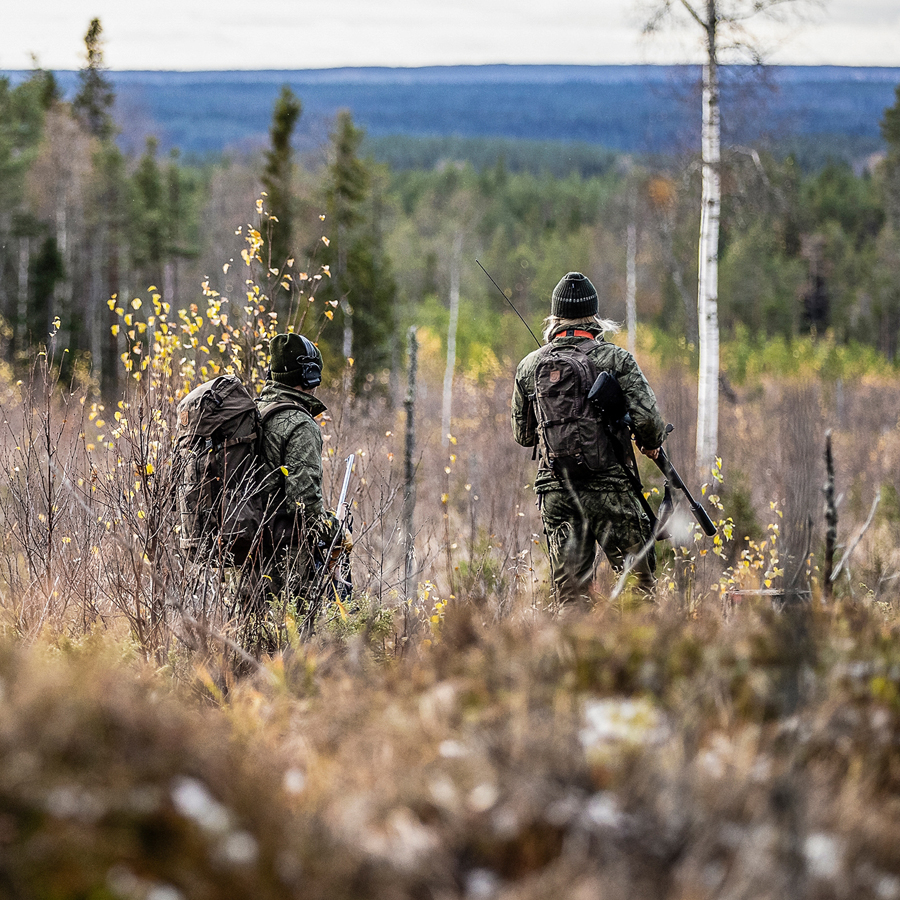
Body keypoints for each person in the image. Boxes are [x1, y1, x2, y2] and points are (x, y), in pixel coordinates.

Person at [511, 271, 666, 608]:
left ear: (555, 319)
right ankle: (640, 657)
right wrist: (649, 442)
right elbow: (650, 422)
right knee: (640, 588)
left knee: (569, 597)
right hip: (610, 490)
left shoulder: (529, 366)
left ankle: (572, 659)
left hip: (556, 491)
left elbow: (523, 436)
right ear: (595, 318)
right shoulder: (615, 359)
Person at [242, 332, 348, 640]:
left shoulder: (255, 410)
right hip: (285, 554)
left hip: (247, 544)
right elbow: (304, 504)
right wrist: (337, 531)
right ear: (309, 373)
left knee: (251, 634)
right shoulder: (301, 424)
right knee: (292, 641)